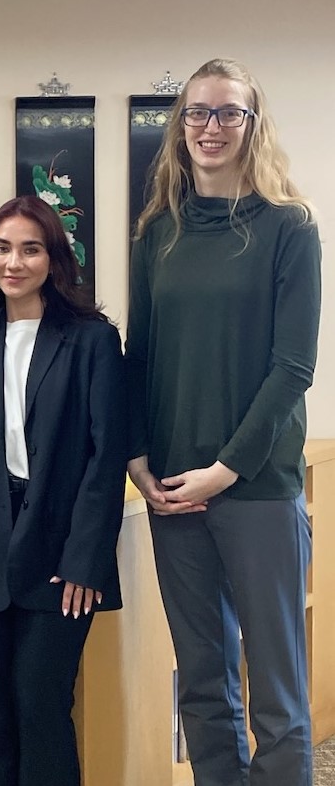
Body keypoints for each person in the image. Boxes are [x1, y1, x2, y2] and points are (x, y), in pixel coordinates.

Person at [125, 58, 321, 786]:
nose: (209, 127)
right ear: (180, 126)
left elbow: (292, 369)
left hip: (257, 488)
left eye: (226, 112)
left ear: (250, 123)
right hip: (172, 487)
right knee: (202, 683)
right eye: (196, 113)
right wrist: (138, 458)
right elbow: (136, 357)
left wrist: (227, 467)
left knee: (276, 695)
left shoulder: (289, 229)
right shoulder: (159, 233)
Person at [0, 195, 126, 785]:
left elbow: (104, 456)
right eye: (2, 248)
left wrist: (87, 560)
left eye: (30, 249)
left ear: (54, 259)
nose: (14, 262)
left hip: (61, 556)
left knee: (42, 709)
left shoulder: (91, 340)